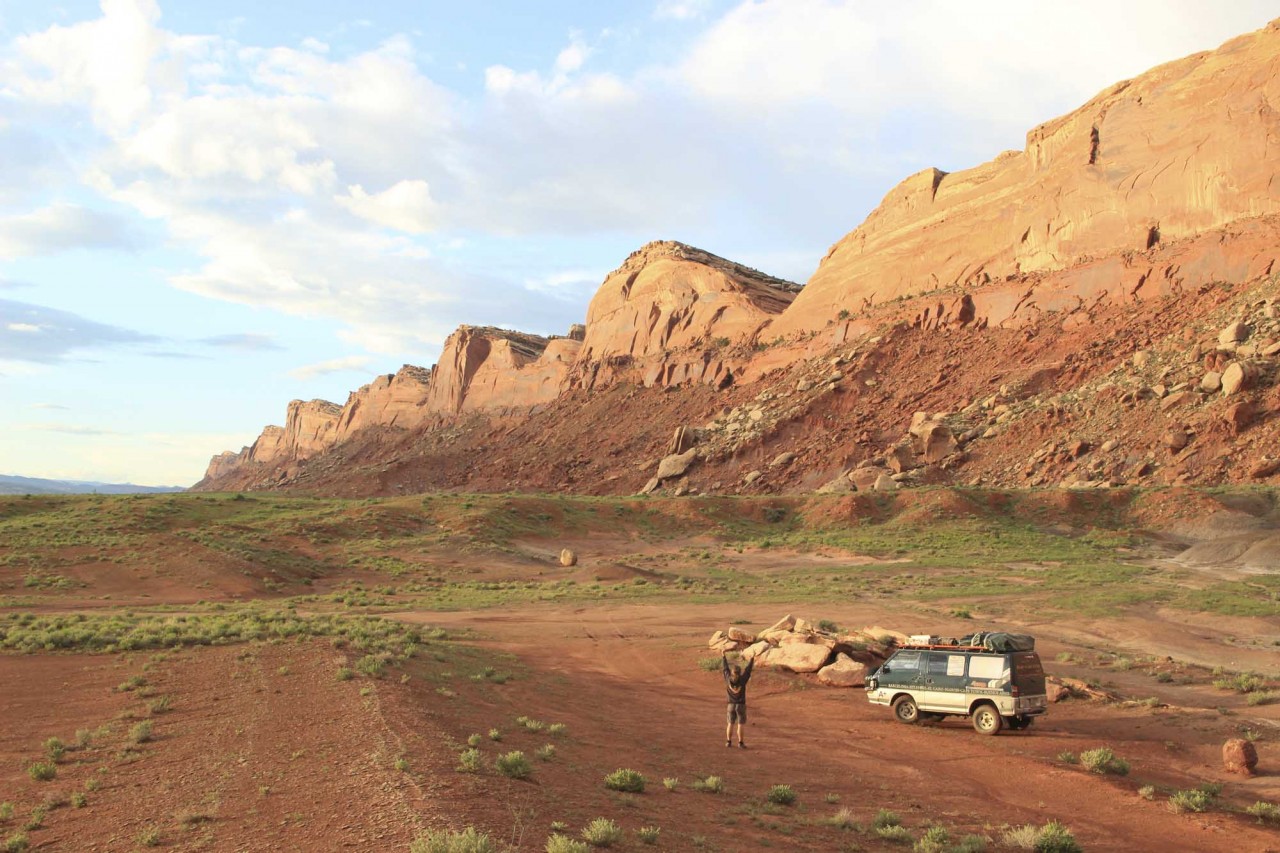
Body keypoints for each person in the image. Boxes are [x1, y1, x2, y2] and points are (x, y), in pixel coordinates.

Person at [721, 651, 755, 748]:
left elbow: (725, 668)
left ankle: (728, 742)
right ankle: (740, 743)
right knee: (740, 724)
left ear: (732, 672)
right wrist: (752, 658)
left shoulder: (728, 679)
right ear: (740, 672)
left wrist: (723, 656)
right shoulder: (742, 679)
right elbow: (748, 670)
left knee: (730, 724)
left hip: (730, 705)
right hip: (741, 705)